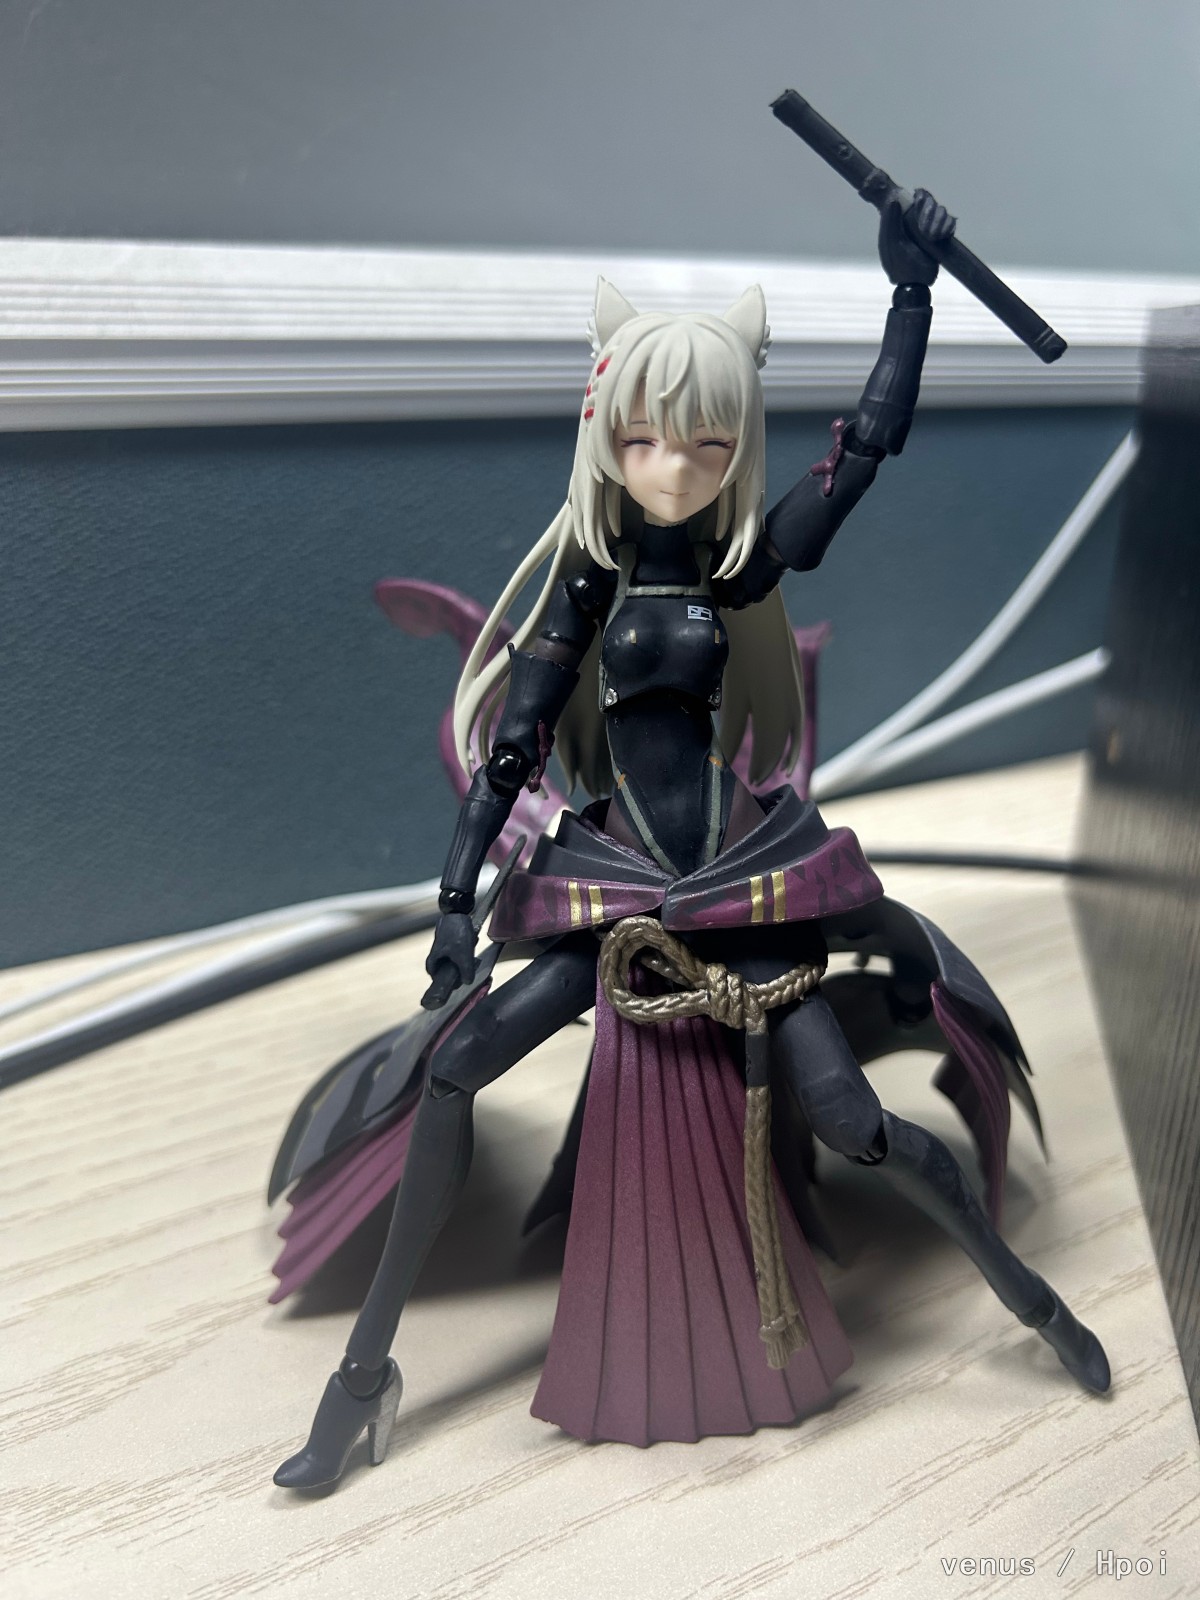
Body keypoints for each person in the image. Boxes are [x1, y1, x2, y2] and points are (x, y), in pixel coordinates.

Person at [273, 193, 1109, 1490]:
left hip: (738, 876)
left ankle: (1027, 1296)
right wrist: (451, 900)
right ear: (606, 433)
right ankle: (365, 1376)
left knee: (854, 1120)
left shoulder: (736, 575)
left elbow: (860, 460)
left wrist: (911, 298)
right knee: (454, 1069)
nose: (676, 466)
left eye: (710, 442)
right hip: (617, 884)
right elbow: (511, 751)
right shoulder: (586, 586)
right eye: (649, 438)